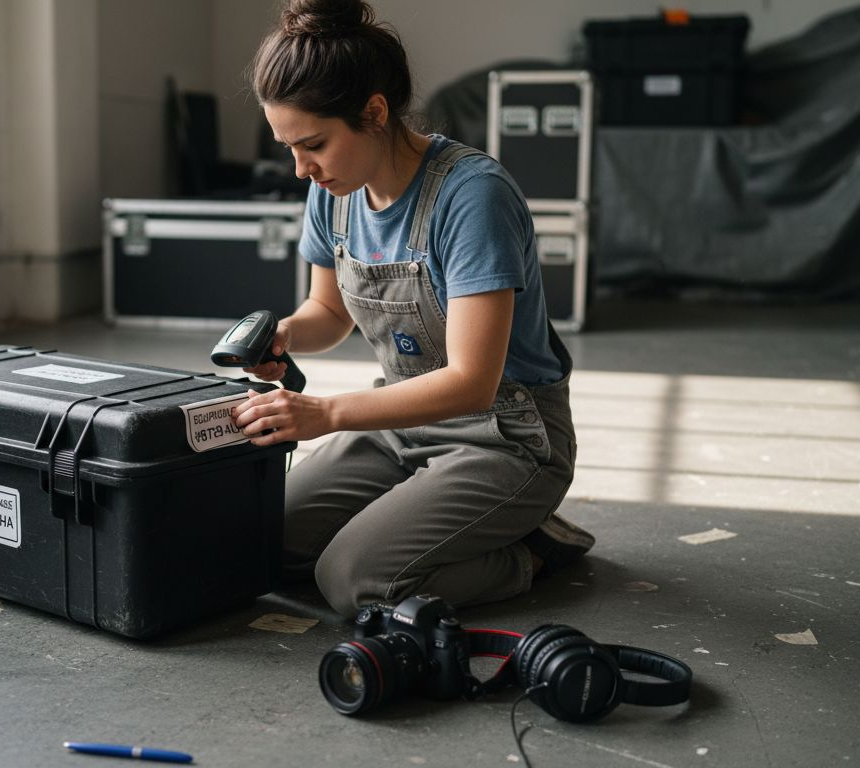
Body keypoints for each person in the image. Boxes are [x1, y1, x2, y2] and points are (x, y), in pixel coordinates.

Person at [232, 0, 593, 618]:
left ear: (373, 113)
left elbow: (472, 383)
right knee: (258, 542)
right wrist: (286, 334)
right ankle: (423, 512)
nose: (301, 169)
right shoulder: (334, 191)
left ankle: (531, 550)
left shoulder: (472, 197)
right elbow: (328, 310)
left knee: (353, 582)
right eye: (287, 146)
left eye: (313, 144)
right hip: (401, 422)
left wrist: (326, 413)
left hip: (505, 437)